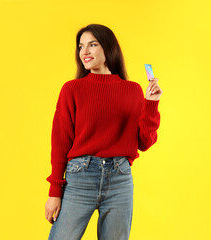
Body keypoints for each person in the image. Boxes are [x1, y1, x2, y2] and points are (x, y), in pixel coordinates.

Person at [45, 24, 163, 240]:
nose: (85, 52)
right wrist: (55, 191)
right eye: (81, 46)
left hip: (120, 179)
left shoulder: (132, 90)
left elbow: (145, 142)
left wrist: (151, 104)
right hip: (80, 177)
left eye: (92, 44)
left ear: (108, 48)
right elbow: (60, 141)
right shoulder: (72, 89)